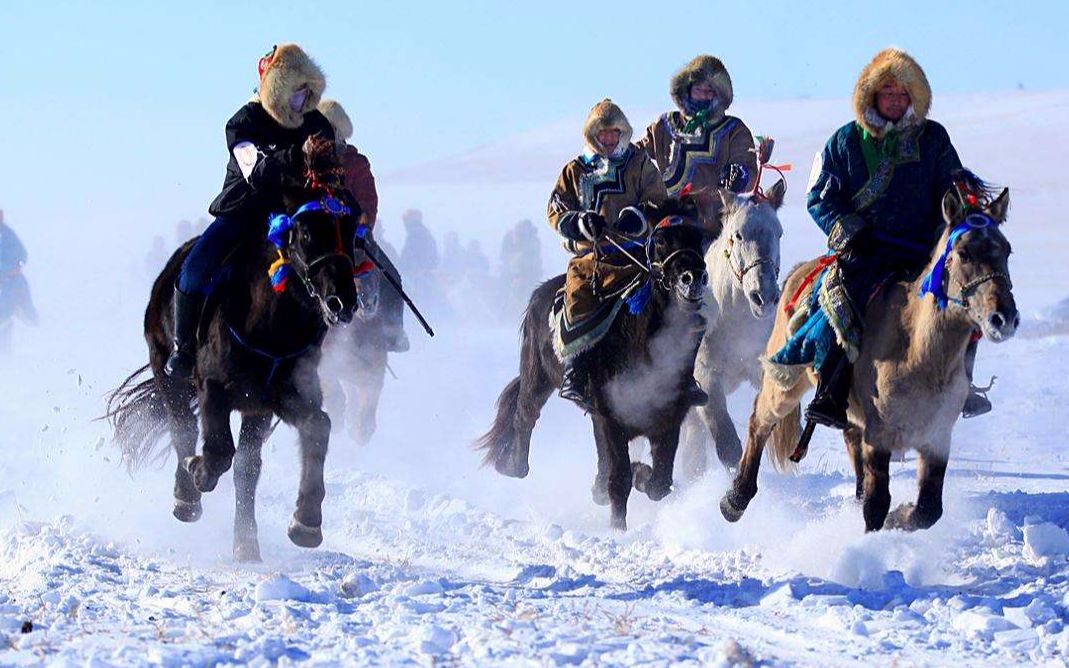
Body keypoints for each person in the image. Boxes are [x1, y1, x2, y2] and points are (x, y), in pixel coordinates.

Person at [803, 47, 990, 428]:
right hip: (866, 251)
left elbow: (949, 185)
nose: (895, 100)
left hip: (923, 250)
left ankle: (961, 385)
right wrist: (850, 232)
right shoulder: (845, 142)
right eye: (888, 93)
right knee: (842, 305)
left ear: (914, 98)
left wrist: (964, 201)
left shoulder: (933, 138)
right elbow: (819, 197)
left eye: (904, 94)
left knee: (964, 302)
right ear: (871, 96)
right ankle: (832, 391)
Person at [165, 43, 334, 378]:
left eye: (307, 91)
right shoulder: (244, 123)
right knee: (195, 269)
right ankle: (183, 348)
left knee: (333, 262)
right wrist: (296, 156)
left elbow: (331, 165)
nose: (303, 99)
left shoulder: (316, 124)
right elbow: (255, 169)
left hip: (293, 213)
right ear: (278, 90)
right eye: (297, 91)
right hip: (242, 212)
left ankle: (316, 349)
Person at [548, 99, 707, 410]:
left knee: (680, 299)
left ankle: (684, 375)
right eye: (603, 134)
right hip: (592, 257)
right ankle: (576, 372)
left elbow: (657, 199)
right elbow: (556, 209)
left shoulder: (640, 163)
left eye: (614, 133)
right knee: (578, 296)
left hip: (638, 253)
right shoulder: (575, 169)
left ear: (622, 133)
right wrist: (580, 222)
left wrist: (638, 216)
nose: (609, 139)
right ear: (592, 135)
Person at [318, 98, 408, 352]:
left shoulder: (356, 163)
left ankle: (393, 332)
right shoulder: (311, 163)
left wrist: (361, 223)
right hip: (320, 237)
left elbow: (368, 200)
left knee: (393, 279)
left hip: (355, 236)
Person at [638, 55, 757, 234]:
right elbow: (634, 157)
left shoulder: (734, 129)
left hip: (716, 225)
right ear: (687, 90)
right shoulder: (664, 125)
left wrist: (739, 175)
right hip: (668, 223)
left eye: (710, 90)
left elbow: (746, 163)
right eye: (698, 89)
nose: (704, 95)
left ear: (720, 94)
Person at [0, 209, 38, 326]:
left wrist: (17, 267)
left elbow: (22, 255)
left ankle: (31, 321)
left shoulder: (8, 235)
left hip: (10, 277)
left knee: (20, 284)